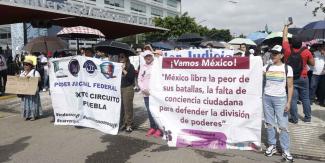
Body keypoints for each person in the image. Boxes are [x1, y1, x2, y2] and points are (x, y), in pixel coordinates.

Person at [263, 45, 294, 162]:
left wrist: (289, 102)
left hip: (281, 99)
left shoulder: (287, 68)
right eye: (272, 53)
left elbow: (290, 86)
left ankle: (286, 149)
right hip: (267, 98)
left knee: (283, 125)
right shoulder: (267, 67)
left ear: (282, 55)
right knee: (269, 123)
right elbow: (253, 72)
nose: (273, 55)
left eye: (276, 53)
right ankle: (272, 145)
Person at [283, 24, 315, 124]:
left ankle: (294, 119)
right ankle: (307, 118)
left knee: (292, 99)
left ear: (291, 42)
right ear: (301, 43)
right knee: (305, 98)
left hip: (291, 78)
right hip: (303, 76)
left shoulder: (287, 49)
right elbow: (313, 64)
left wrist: (286, 26)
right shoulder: (306, 51)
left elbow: (284, 36)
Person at [138, 50, 162, 137]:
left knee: (157, 111)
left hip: (155, 94)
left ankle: (159, 128)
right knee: (149, 111)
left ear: (152, 56)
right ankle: (152, 127)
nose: (147, 58)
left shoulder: (156, 65)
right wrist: (143, 89)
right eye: (146, 56)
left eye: (149, 56)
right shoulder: (142, 66)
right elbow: (139, 79)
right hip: (146, 93)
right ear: (144, 58)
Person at [119, 53, 135, 132]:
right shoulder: (117, 66)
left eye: (122, 57)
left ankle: (129, 124)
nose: (121, 58)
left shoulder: (130, 66)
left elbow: (131, 78)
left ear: (126, 58)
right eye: (120, 57)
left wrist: (123, 70)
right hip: (119, 88)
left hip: (127, 88)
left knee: (127, 107)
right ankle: (123, 123)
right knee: (121, 107)